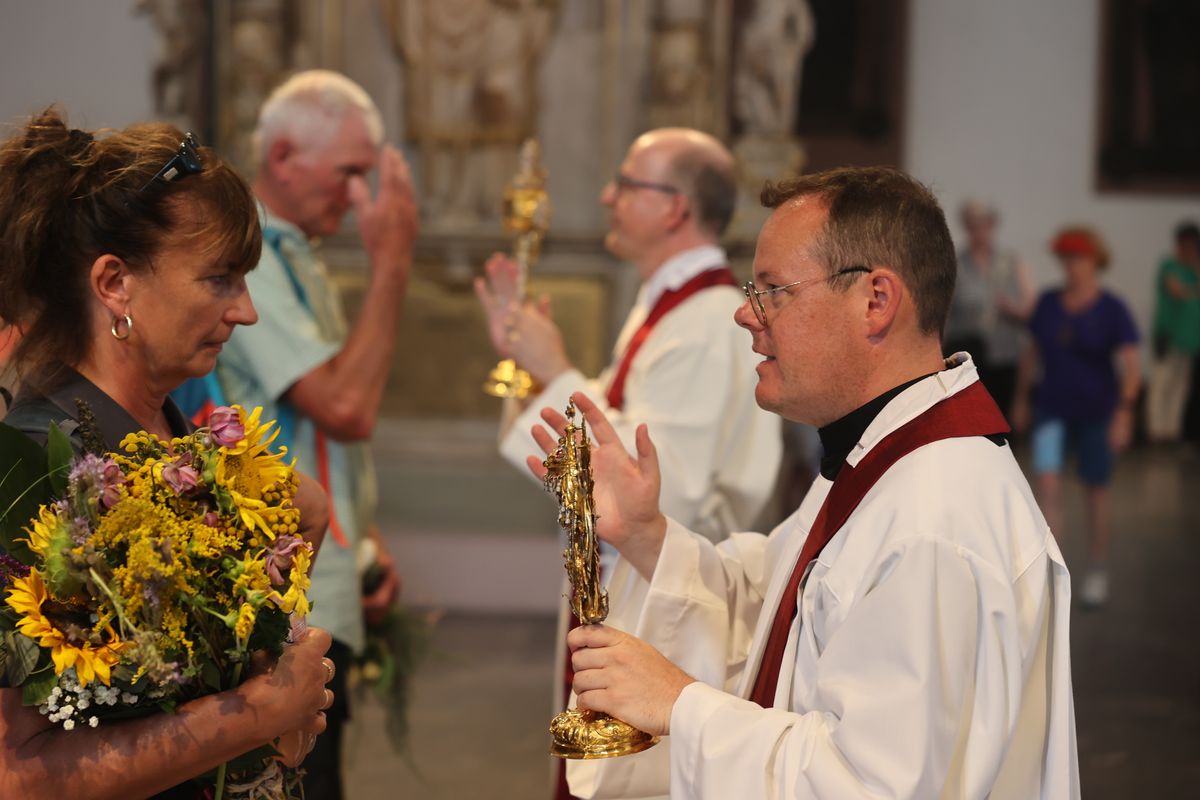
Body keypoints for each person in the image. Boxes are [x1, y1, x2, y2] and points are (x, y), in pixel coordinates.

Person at [522, 166, 1078, 799]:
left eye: (772, 291)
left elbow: (868, 784)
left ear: (876, 301)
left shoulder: (934, 520)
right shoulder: (881, 457)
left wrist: (679, 703)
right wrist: (649, 537)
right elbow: (778, 606)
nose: (744, 315)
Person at [0, 109, 336, 799]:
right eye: (219, 279)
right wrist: (265, 713)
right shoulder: (29, 468)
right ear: (115, 283)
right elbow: (17, 777)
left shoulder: (184, 445)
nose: (246, 312)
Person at [476, 127, 781, 799]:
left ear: (675, 207)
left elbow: (656, 492)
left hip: (665, 606)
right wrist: (528, 374)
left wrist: (554, 369)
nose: (608, 196)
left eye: (627, 184)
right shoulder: (665, 307)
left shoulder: (705, 320)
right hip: (619, 592)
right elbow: (612, 439)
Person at [206, 69, 417, 800]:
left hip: (321, 560)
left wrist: (365, 538)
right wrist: (392, 260)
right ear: (285, 156)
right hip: (275, 573)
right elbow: (344, 407)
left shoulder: (298, 252)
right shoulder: (251, 258)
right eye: (349, 172)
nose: (360, 196)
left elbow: (326, 435)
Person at [1013, 227, 1140, 609]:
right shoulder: (1049, 303)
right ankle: (1054, 571)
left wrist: (1124, 412)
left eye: (1078, 259)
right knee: (1047, 485)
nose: (1071, 267)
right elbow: (1032, 353)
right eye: (1065, 259)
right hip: (1052, 409)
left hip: (1096, 413)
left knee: (1095, 489)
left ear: (1094, 261)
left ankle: (1097, 567)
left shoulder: (1112, 308)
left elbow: (1132, 365)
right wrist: (1021, 397)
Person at [943, 199, 1035, 413]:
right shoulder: (957, 264)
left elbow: (1030, 308)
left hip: (1005, 357)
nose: (978, 231)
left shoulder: (1011, 261)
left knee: (1004, 419)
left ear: (992, 225)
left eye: (983, 225)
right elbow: (944, 313)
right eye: (972, 225)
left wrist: (1011, 308)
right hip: (970, 360)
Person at [1146, 221, 1200, 442]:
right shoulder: (1169, 265)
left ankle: (1172, 431)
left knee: (1181, 386)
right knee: (1162, 383)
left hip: (1190, 338)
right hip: (1167, 334)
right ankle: (1157, 431)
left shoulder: (1194, 267)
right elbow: (1176, 291)